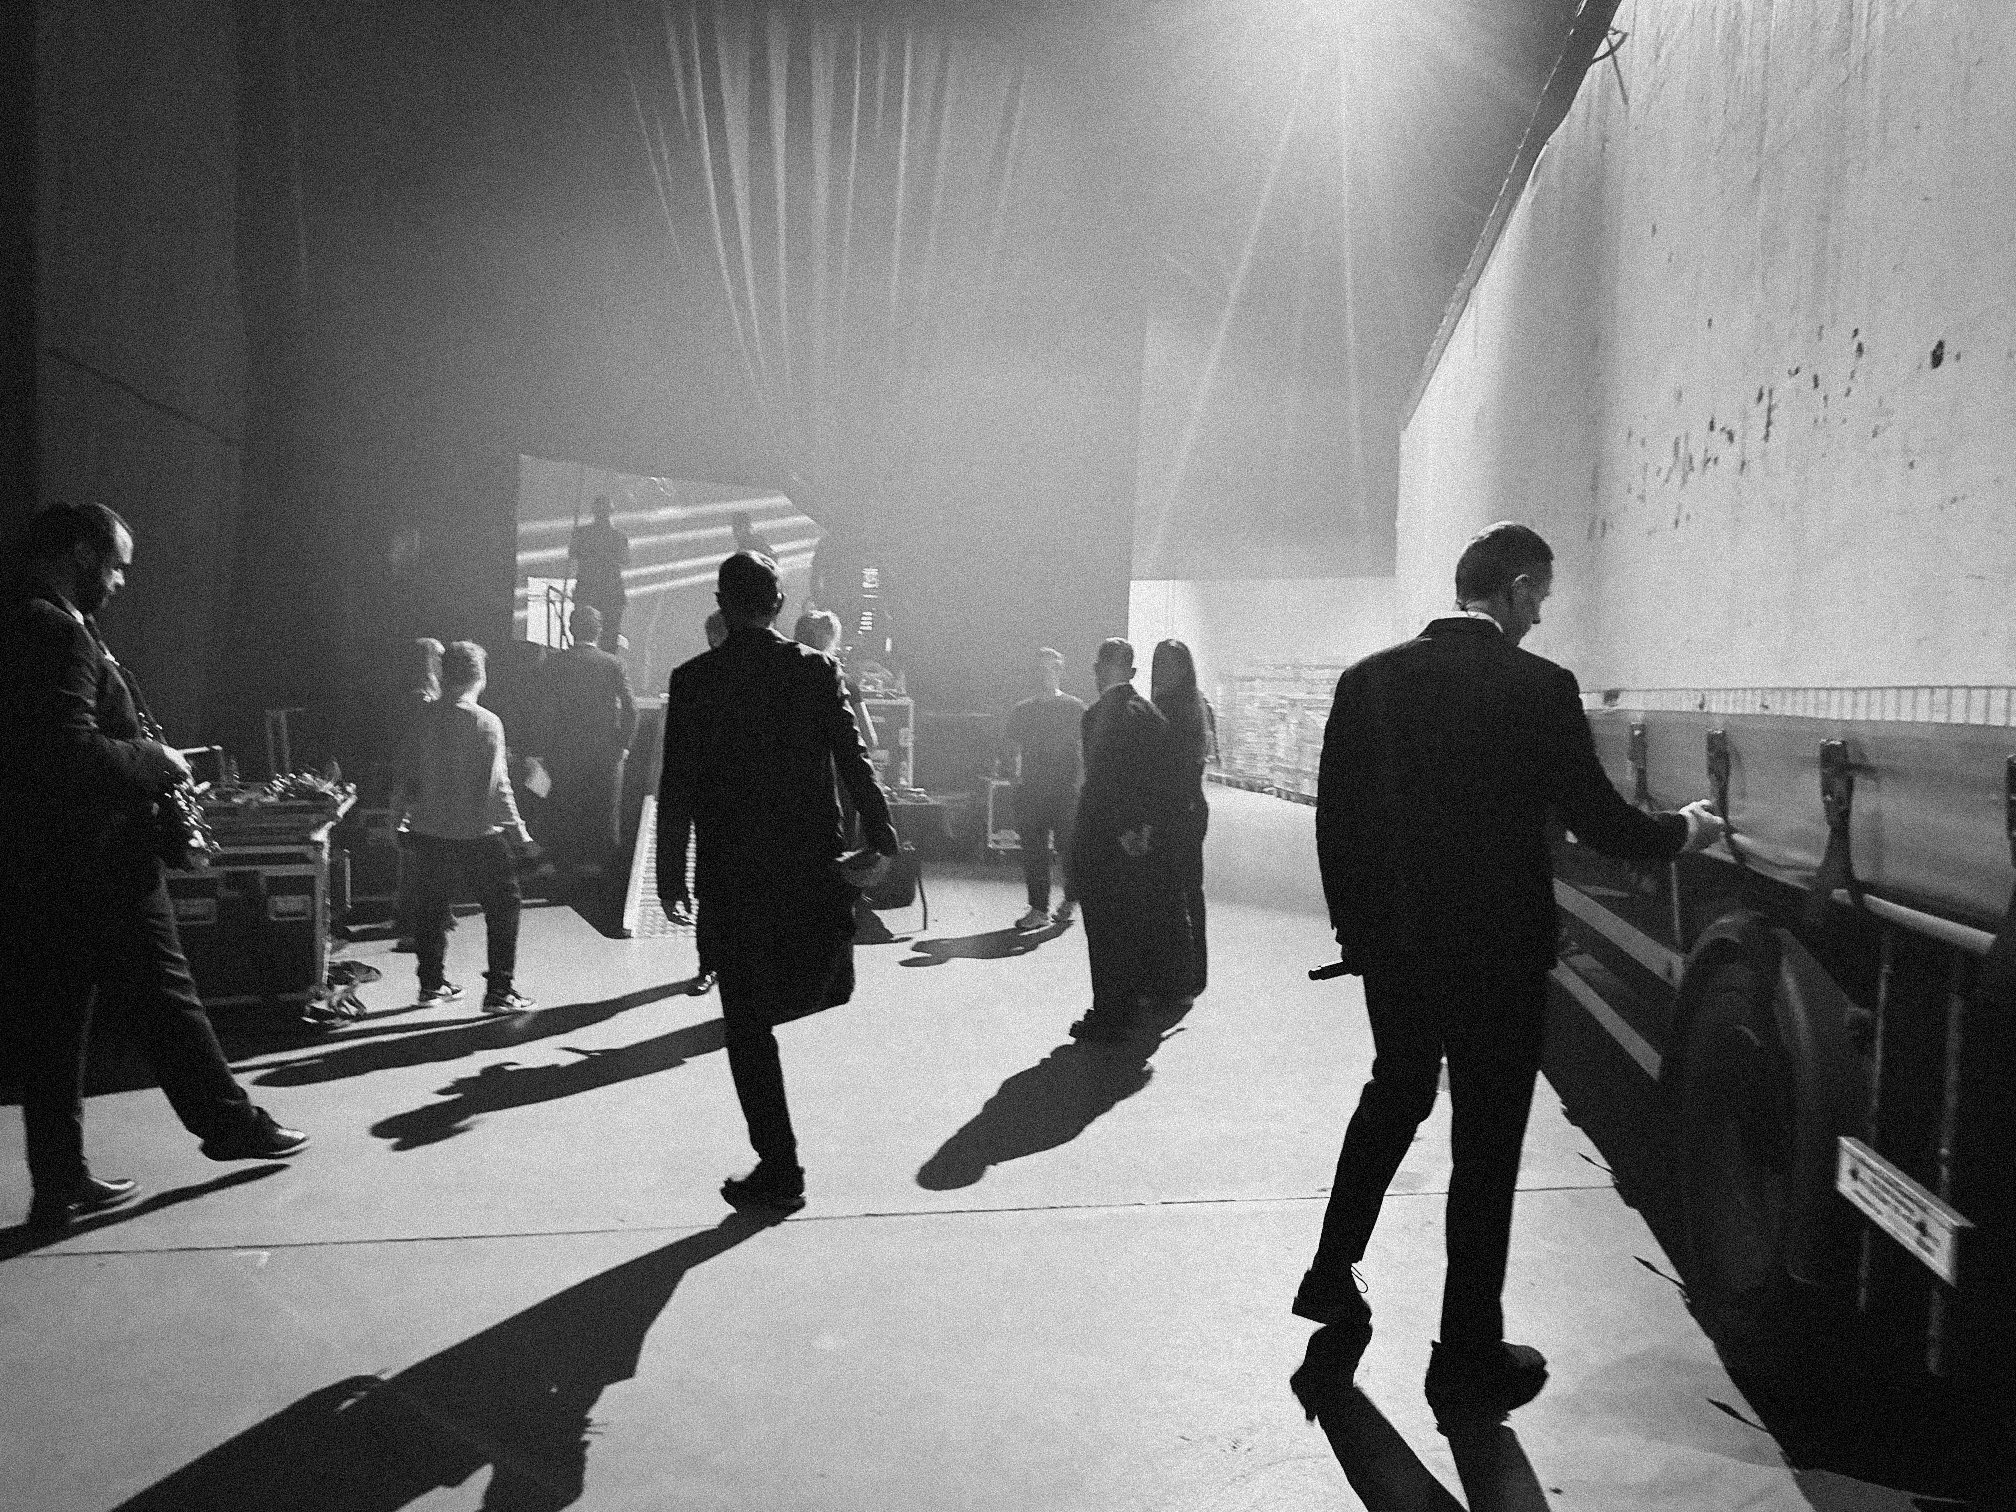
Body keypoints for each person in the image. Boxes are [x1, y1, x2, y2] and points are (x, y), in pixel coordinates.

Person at [1295, 521, 1725, 1425]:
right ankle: (1464, 1360)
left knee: (1395, 1094)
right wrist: (1684, 831)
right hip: (1496, 959)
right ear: (1520, 589)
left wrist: (1363, 936)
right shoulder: (1539, 688)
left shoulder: (1367, 682)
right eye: (1543, 597)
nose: (1543, 615)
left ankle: (1331, 1276)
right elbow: (1600, 821)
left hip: (1398, 952)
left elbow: (1337, 826)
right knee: (1484, 1150)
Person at [0, 503, 308, 1229]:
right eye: (116, 565)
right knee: (168, 999)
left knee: (54, 1026)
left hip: (42, 862)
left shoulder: (29, 617)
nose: (121, 582)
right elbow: (65, 749)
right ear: (79, 552)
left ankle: (62, 1181)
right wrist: (156, 761)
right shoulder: (55, 628)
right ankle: (231, 1126)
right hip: (99, 859)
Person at [657, 552, 900, 1213]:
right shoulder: (815, 670)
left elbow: (675, 787)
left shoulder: (693, 680)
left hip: (734, 875)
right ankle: (779, 1162)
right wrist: (883, 838)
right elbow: (855, 761)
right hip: (805, 869)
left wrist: (668, 872)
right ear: (779, 601)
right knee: (811, 982)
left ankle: (780, 1165)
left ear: (721, 602)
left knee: (747, 1025)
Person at [390, 640, 538, 1015]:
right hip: (477, 833)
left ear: (445, 674)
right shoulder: (487, 723)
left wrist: (395, 822)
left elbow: (406, 777)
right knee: (504, 907)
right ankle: (500, 991)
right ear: (480, 677)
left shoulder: (421, 719)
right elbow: (497, 787)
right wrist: (519, 834)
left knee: (431, 909)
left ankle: (431, 984)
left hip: (427, 831)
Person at [1066, 638, 1186, 1044]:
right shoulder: (1152, 716)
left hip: (1103, 839)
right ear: (1132, 671)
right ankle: (1131, 1003)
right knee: (1131, 924)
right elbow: (1158, 782)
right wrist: (1144, 829)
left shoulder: (1096, 716)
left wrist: (1119, 829)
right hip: (1142, 842)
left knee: (1102, 930)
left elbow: (1102, 782)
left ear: (1103, 668)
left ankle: (1110, 1012)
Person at [527, 605, 637, 884]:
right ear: (599, 631)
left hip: (564, 749)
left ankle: (564, 867)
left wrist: (543, 746)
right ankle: (603, 876)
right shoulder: (613, 664)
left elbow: (541, 708)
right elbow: (630, 709)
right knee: (603, 810)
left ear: (569, 629)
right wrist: (622, 745)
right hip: (604, 751)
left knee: (564, 806)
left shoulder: (554, 663)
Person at [1000, 647, 1085, 930]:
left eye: (1051, 668)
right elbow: (1009, 746)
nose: (1045, 675)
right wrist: (1014, 777)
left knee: (1067, 849)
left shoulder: (1075, 708)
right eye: (1040, 669)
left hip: (1065, 791)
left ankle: (1071, 899)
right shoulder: (1023, 710)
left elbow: (1087, 748)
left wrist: (1082, 783)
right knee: (1034, 852)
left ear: (1060, 671)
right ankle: (1039, 908)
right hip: (1033, 791)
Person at [1149, 639, 1216, 994]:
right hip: (1188, 806)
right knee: (1188, 891)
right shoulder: (1195, 703)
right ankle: (1191, 975)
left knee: (1175, 894)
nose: (1162, 670)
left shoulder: (1171, 707)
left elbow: (1173, 765)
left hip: (1177, 809)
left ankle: (1178, 977)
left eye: (1168, 663)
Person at [387, 638, 444, 952]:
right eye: (437, 657)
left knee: (417, 848)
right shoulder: (423, 699)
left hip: (414, 777)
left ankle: (410, 911)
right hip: (417, 780)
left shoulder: (422, 696)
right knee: (416, 849)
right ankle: (410, 915)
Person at [568, 497, 629, 654]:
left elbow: (573, 553)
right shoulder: (618, 536)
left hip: (594, 591)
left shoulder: (584, 533)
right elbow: (625, 559)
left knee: (585, 637)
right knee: (605, 639)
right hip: (607, 593)